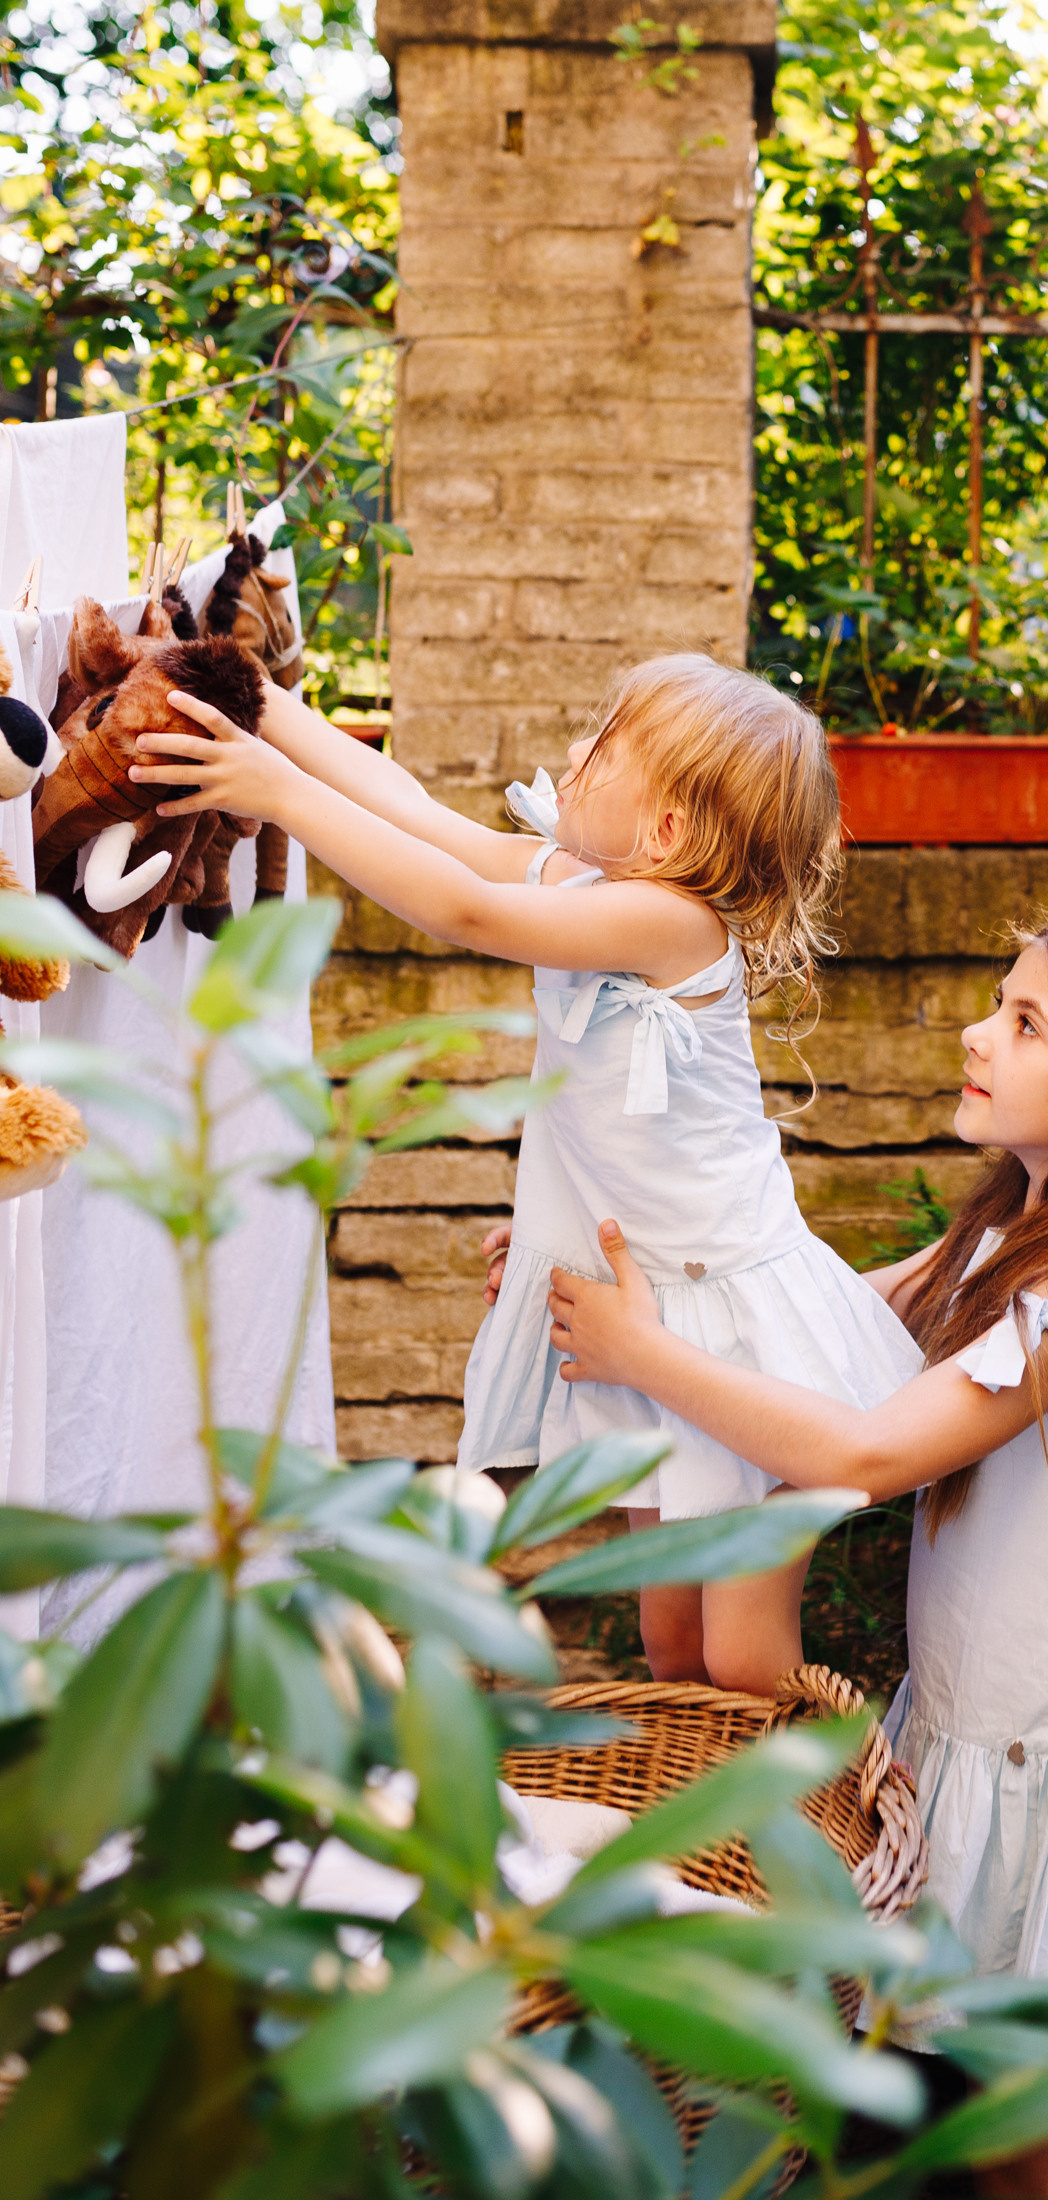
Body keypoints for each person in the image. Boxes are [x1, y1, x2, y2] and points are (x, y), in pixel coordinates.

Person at [540, 908, 1048, 2200]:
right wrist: (621, 1289)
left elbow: (865, 1451)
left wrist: (643, 1355)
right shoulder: (1004, 1240)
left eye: (1024, 1023)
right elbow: (814, 1327)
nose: (977, 1035)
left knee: (1032, 2142)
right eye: (998, 1003)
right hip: (1006, 1736)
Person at [128, 655, 924, 1694]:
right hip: (654, 1307)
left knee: (739, 1654)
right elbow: (421, 816)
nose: (576, 749)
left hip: (738, 1329)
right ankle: (705, 1797)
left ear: (666, 832)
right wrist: (268, 711)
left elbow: (465, 910)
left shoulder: (673, 923)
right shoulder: (596, 886)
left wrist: (277, 792)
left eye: (604, 746)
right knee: (672, 1646)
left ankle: (840, 1788)